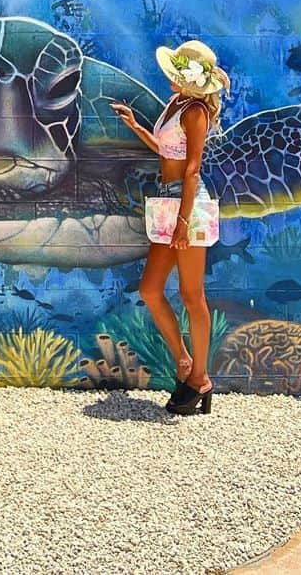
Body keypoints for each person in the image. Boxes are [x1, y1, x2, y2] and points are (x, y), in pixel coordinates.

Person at [112, 39, 230, 416]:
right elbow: (165, 151)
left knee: (192, 295)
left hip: (187, 204)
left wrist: (183, 222)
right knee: (150, 289)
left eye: (178, 73)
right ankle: (184, 362)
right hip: (166, 198)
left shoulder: (195, 111)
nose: (171, 78)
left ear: (192, 81)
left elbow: (193, 168)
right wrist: (135, 126)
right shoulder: (175, 104)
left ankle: (201, 377)